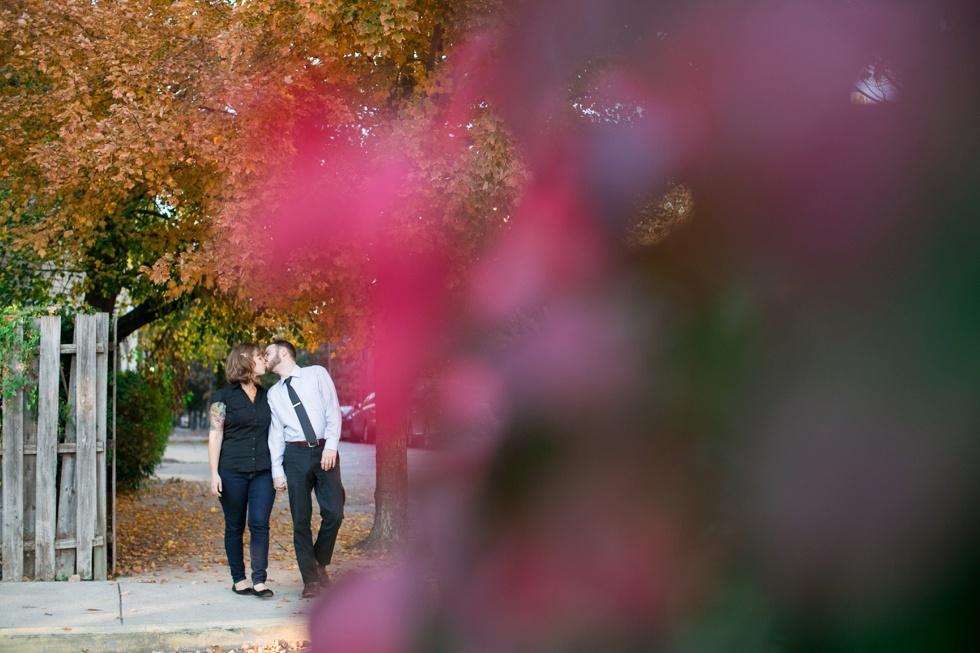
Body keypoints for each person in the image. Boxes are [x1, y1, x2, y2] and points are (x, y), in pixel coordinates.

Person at [264, 340, 345, 599]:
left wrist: (331, 445)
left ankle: (320, 561)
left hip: (324, 450)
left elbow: (333, 410)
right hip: (295, 455)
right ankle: (310, 580)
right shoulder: (273, 393)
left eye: (267, 353)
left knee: (335, 511)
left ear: (283, 352)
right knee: (300, 520)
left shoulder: (316, 373)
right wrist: (277, 469)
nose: (264, 358)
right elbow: (276, 433)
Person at [208, 343, 276, 598]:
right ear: (245, 360)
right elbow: (215, 435)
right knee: (234, 526)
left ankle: (260, 580)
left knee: (260, 524)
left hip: (263, 471)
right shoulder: (222, 396)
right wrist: (214, 473)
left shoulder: (267, 395)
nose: (263, 361)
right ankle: (239, 579)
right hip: (231, 471)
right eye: (260, 356)